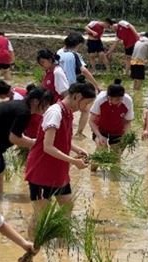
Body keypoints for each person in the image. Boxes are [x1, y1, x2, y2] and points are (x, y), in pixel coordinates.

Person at [24, 77, 96, 238]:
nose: (85, 108)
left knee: (67, 206)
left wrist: (78, 149)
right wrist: (74, 162)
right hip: (42, 171)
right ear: (77, 97)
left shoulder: (68, 112)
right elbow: (47, 147)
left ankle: (63, 243)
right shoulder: (55, 112)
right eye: (86, 103)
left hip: (58, 171)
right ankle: (32, 247)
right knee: (40, 215)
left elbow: (63, 139)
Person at [0, 87, 53, 192]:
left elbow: (16, 134)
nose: (47, 106)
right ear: (36, 101)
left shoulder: (22, 107)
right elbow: (14, 138)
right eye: (46, 103)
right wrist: (36, 143)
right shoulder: (24, 112)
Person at [57, 32, 101, 136]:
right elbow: (84, 71)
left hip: (59, 86)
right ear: (77, 45)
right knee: (85, 109)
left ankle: (63, 128)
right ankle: (79, 133)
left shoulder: (58, 52)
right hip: (72, 87)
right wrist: (96, 85)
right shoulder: (74, 55)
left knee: (64, 108)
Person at [88, 79, 134, 171]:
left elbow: (127, 122)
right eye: (117, 100)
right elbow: (91, 121)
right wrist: (100, 136)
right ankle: (93, 175)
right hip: (100, 129)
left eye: (121, 98)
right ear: (109, 98)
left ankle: (114, 182)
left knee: (116, 157)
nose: (120, 101)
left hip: (117, 130)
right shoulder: (100, 100)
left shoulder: (127, 100)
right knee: (101, 150)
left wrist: (127, 136)